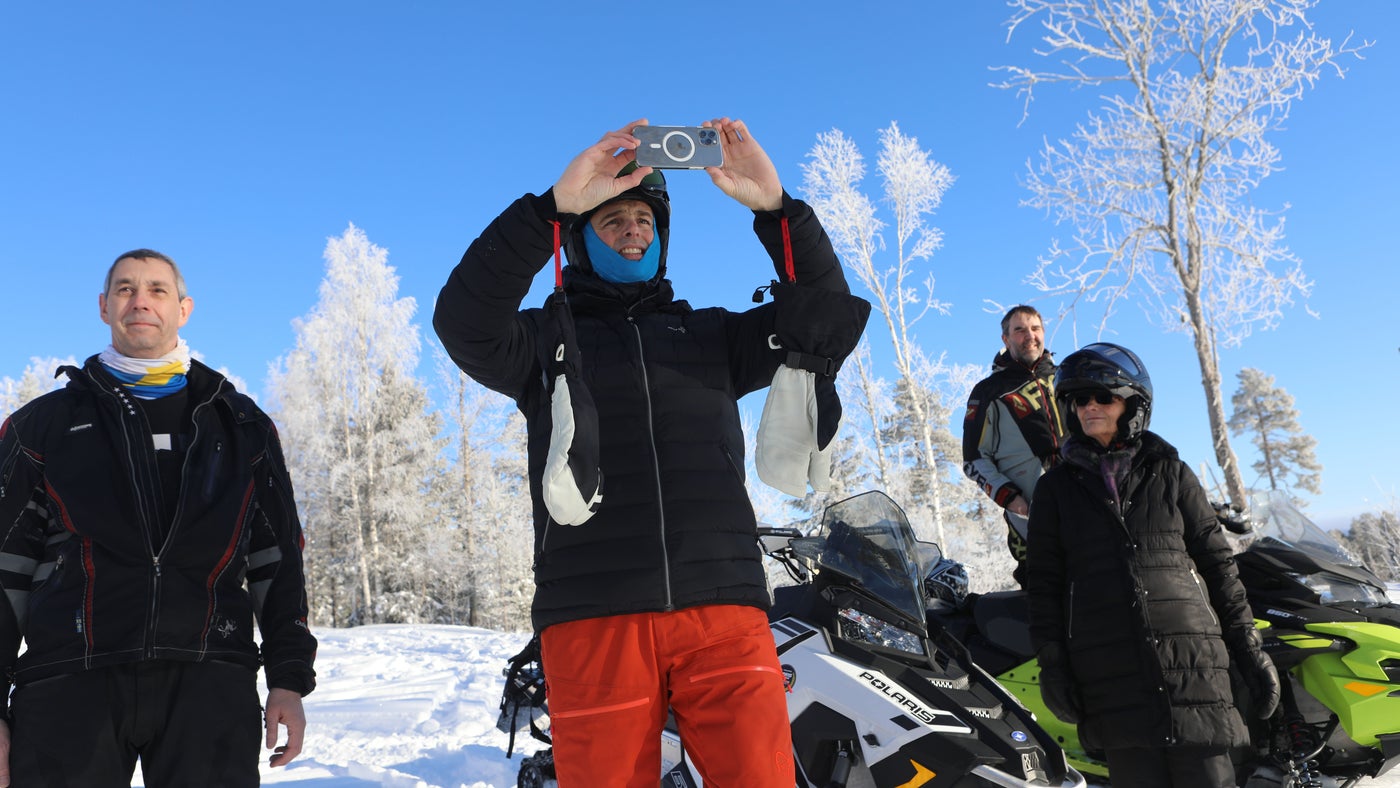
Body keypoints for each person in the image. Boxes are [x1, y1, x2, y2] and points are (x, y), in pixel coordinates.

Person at [433, 118, 863, 787]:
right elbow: (463, 319)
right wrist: (548, 208)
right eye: (611, 220)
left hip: (723, 610)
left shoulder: (711, 337)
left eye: (644, 218)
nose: (634, 229)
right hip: (594, 618)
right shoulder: (542, 343)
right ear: (578, 239)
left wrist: (778, 210)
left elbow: (825, 315)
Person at [0, 249, 317, 787]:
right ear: (104, 307)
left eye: (156, 289)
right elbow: (6, 567)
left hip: (211, 676)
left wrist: (288, 678)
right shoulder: (41, 426)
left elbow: (276, 561)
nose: (140, 300)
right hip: (69, 680)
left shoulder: (243, 427)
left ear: (183, 308)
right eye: (124, 289)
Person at [1025, 342, 1280, 788]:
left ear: (1133, 404)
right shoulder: (1055, 490)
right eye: (1079, 399)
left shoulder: (1173, 474)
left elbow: (1220, 568)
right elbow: (1043, 584)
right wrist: (1054, 666)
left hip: (1194, 669)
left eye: (1103, 397)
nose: (1089, 407)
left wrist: (1250, 650)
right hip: (1111, 675)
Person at [961, 305, 1065, 585]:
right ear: (1006, 339)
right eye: (1019, 330)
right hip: (1030, 516)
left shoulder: (1066, 379)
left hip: (1083, 507)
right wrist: (1011, 499)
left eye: (1035, 328)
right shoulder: (988, 391)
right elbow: (973, 459)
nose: (1029, 336)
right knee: (1044, 595)